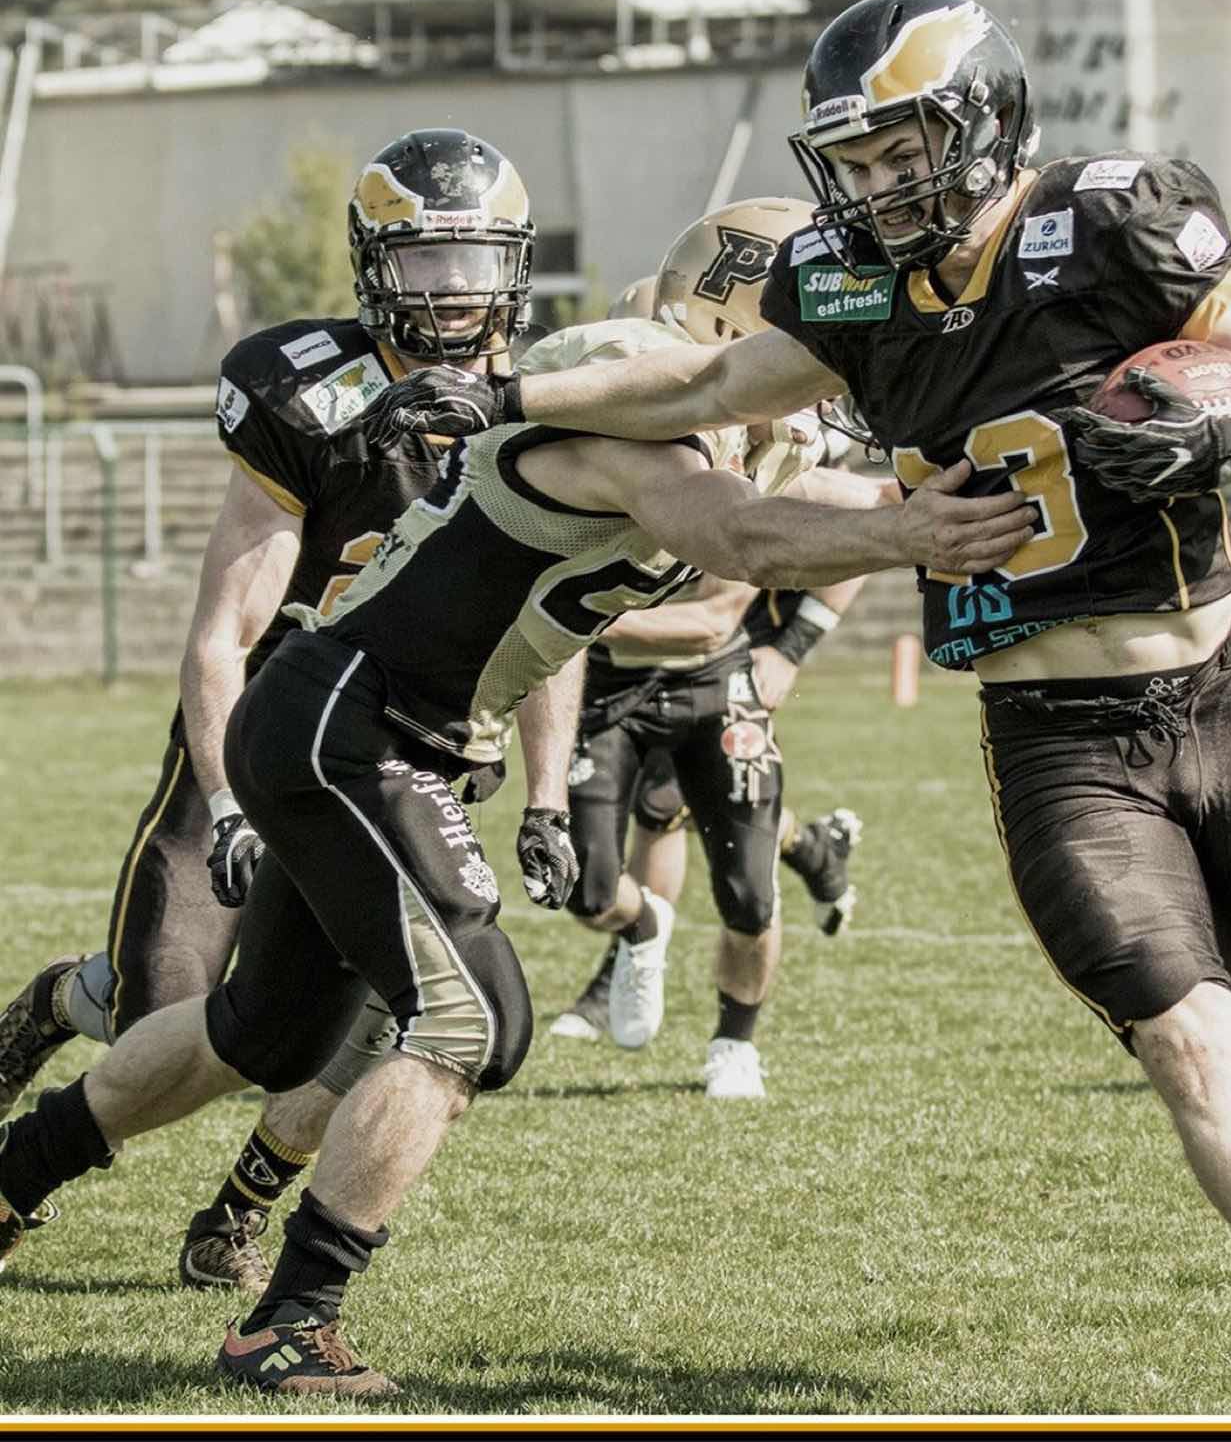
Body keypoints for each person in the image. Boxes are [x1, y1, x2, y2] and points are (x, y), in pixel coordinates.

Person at [363, 0, 1231, 1407]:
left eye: (902, 151)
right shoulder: (851, 285)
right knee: (1193, 1046)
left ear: (985, 124)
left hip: (1228, 697)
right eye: (854, 161)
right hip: (1057, 743)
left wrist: (1230, 441)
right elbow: (708, 381)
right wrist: (508, 395)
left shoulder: (1108, 224)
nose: (875, 187)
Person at [0, 191, 1036, 1396]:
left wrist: (955, 484)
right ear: (733, 323)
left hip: (365, 722)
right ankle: (289, 1318)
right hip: (354, 723)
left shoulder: (710, 413)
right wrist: (917, 535)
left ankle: (12, 1177)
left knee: (259, 1032)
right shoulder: (627, 394)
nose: (831, 359)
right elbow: (740, 539)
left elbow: (782, 507)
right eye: (812, 329)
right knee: (473, 1019)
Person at [0, 127, 582, 1298]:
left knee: (379, 1016)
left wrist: (551, 793)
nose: (454, 292)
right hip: (274, 727)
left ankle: (240, 1209)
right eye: (426, 262)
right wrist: (225, 802)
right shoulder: (312, 391)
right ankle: (66, 998)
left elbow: (553, 619)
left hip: (410, 751)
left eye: (476, 261)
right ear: (373, 265)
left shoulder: (544, 399)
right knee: (166, 1004)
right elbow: (224, 630)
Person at [542, 212, 868, 1098]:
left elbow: (713, 621)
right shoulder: (607, 442)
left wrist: (795, 643)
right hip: (604, 687)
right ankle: (643, 934)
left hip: (707, 679)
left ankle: (735, 1039)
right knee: (587, 882)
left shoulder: (756, 441)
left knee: (743, 884)